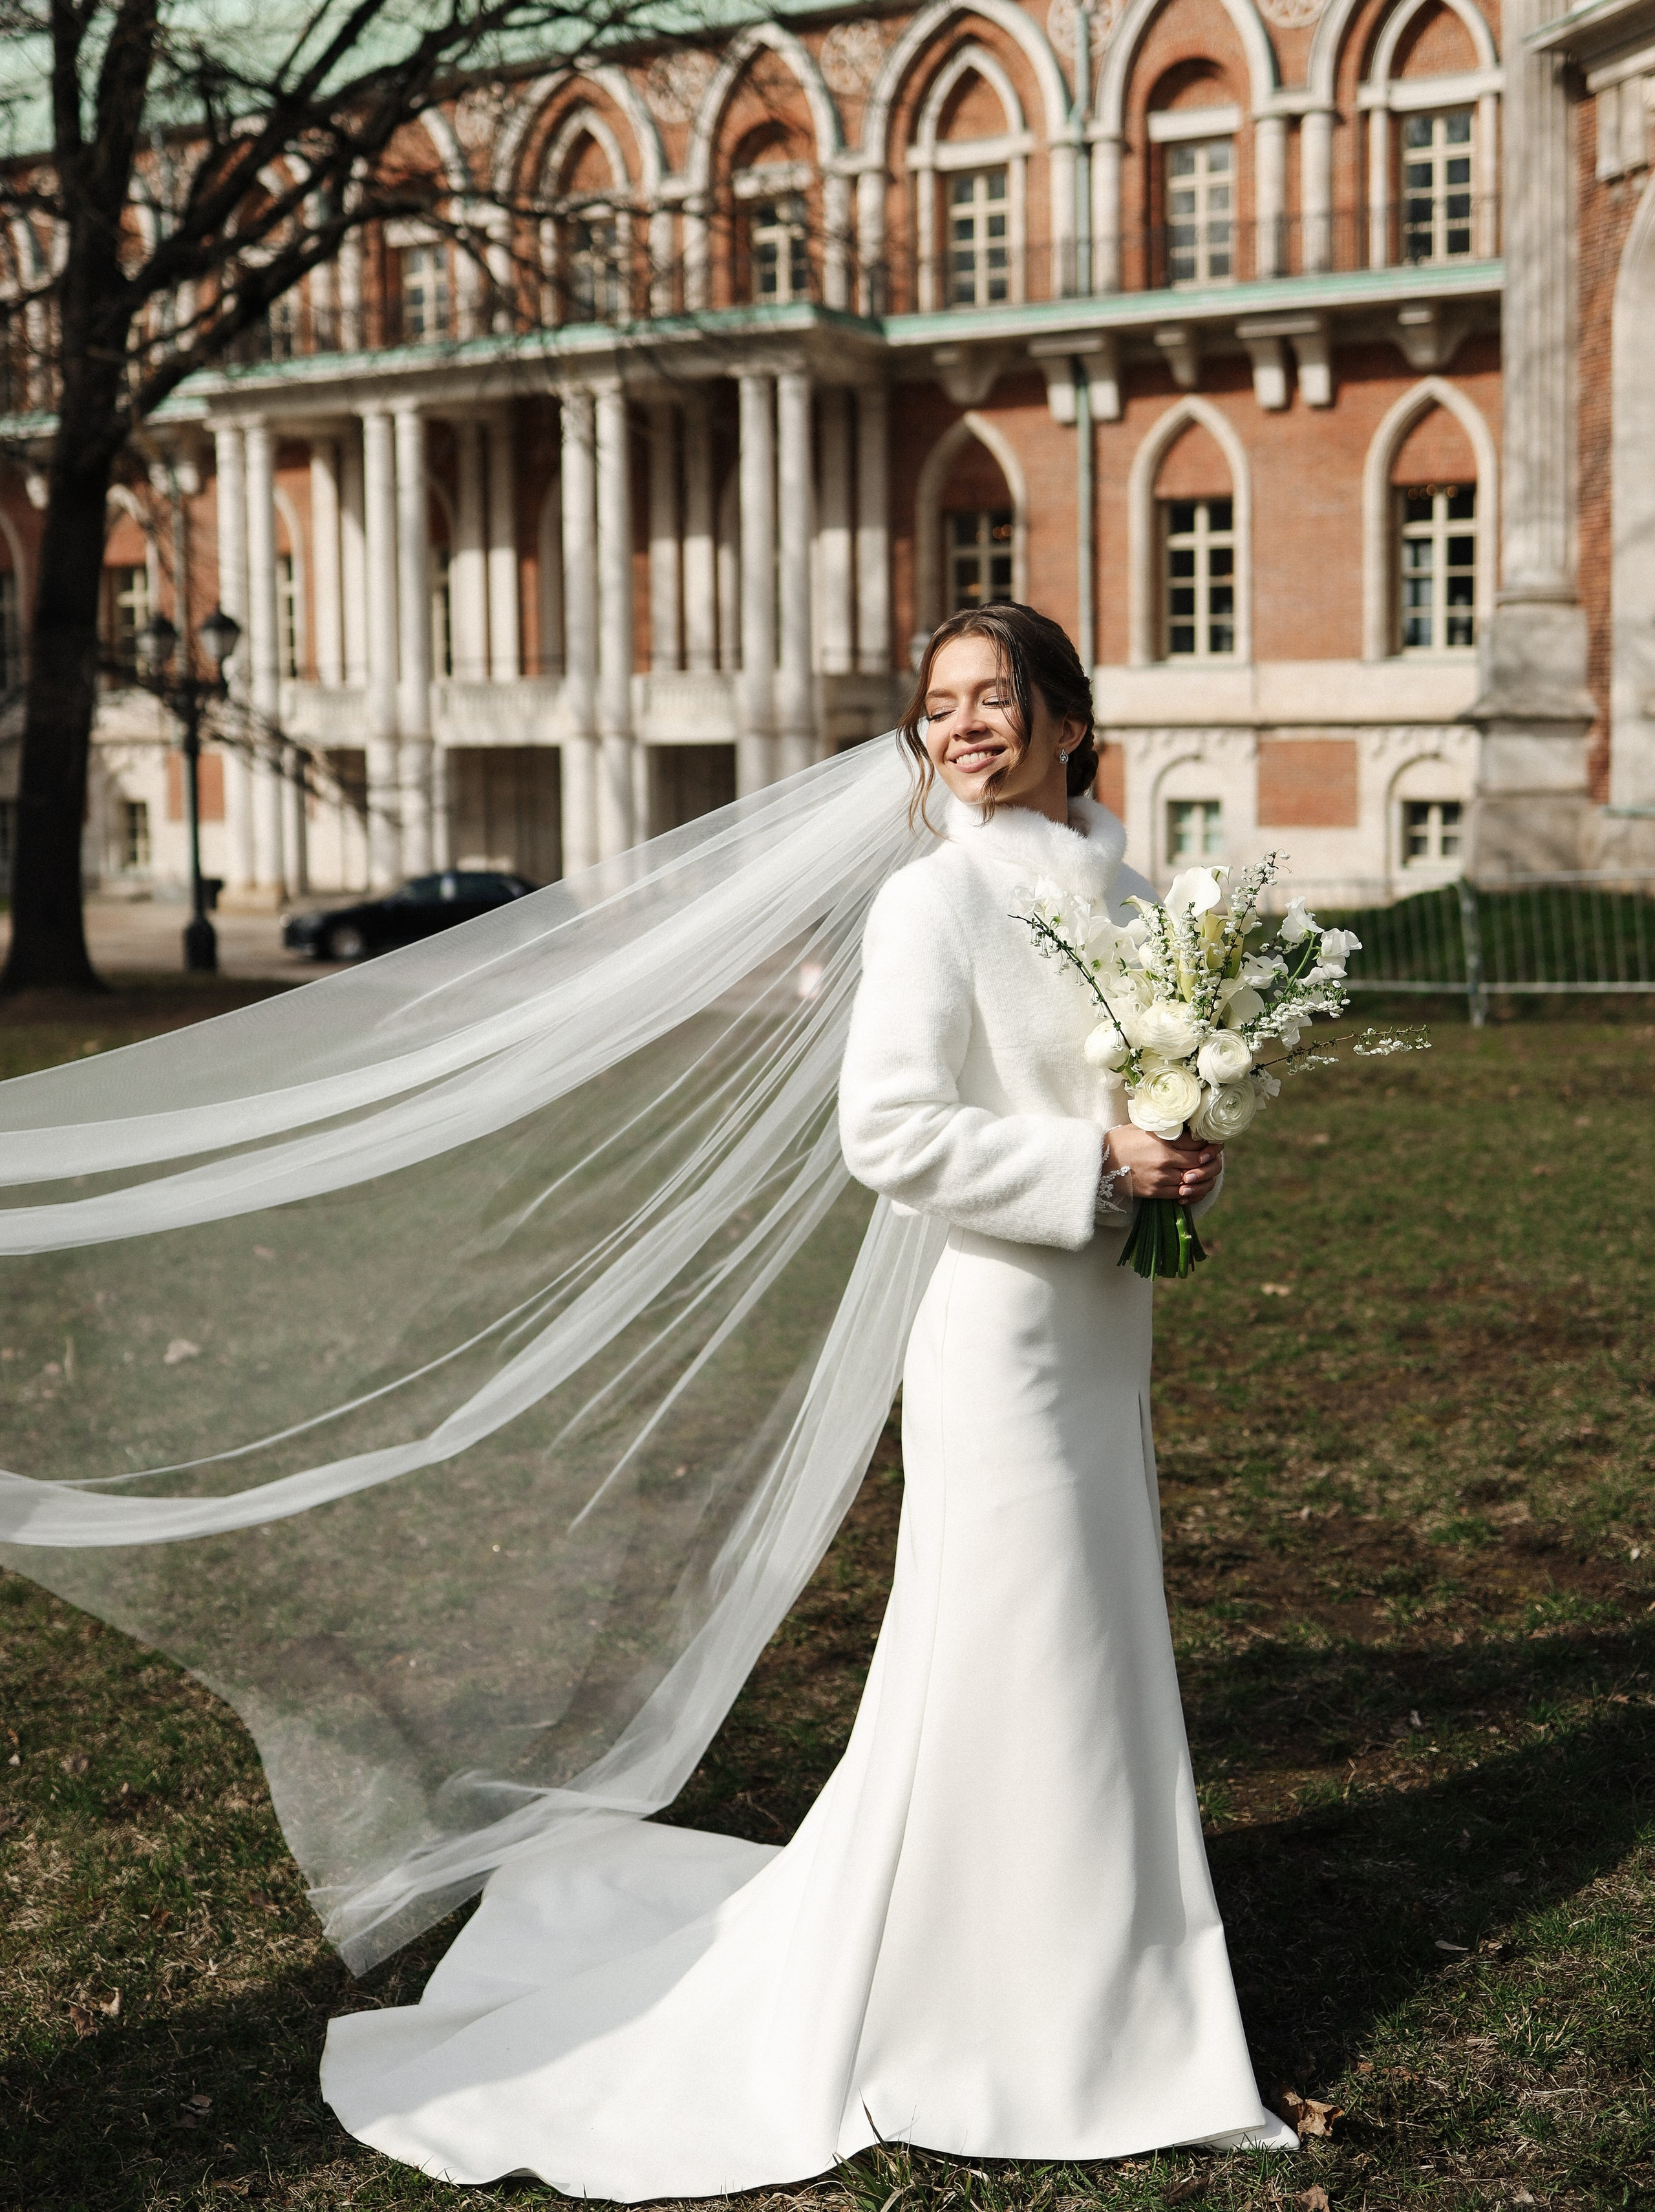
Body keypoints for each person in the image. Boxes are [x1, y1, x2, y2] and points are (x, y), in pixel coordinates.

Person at [319, 603, 1296, 2189]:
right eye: (938, 705)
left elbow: (1156, 1100)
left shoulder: (1136, 903)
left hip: (1103, 1328)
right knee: (1011, 1648)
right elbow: (887, 1131)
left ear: (1067, 719)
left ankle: (1092, 1954)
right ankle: (998, 1993)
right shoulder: (933, 903)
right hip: (997, 1335)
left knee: (1092, 1646)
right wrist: (1093, 1167)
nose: (962, 725)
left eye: (993, 696)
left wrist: (1185, 1156)